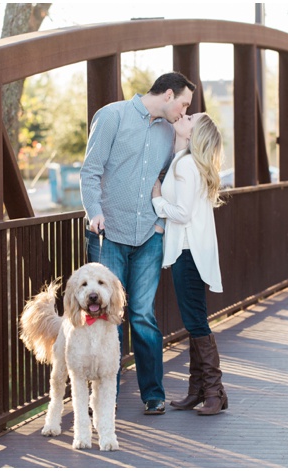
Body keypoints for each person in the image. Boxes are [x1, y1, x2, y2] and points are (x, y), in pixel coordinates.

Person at [80, 72, 196, 415]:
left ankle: (153, 395)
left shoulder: (168, 132)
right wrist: (94, 211)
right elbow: (90, 171)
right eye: (185, 103)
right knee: (104, 318)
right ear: (169, 94)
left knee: (143, 315)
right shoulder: (112, 116)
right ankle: (105, 399)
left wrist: (160, 223)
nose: (184, 110)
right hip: (108, 234)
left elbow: (165, 180)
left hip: (148, 236)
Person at [151, 112, 229, 415]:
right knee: (195, 318)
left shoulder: (185, 164)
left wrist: (157, 198)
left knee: (196, 321)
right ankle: (199, 390)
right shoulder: (187, 161)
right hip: (193, 251)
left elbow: (181, 213)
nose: (185, 115)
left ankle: (213, 390)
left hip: (188, 251)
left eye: (191, 118)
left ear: (195, 134)